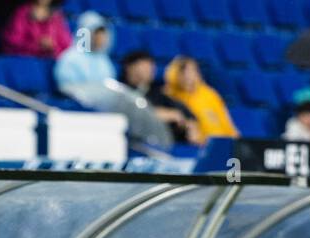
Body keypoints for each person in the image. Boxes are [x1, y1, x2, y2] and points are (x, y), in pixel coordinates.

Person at [54, 14, 173, 147]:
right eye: (96, 34)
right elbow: (68, 88)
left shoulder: (105, 62)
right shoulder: (70, 58)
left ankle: (154, 143)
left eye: (103, 34)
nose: (100, 39)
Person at [120, 50, 198, 145]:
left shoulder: (157, 91)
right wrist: (160, 114)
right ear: (129, 67)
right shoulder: (120, 90)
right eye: (144, 66)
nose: (150, 69)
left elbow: (182, 114)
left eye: (151, 66)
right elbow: (127, 114)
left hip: (166, 144)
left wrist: (189, 124)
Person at [162, 56, 237, 140]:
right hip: (197, 146)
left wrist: (236, 140)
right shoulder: (170, 96)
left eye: (192, 70)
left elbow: (226, 121)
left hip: (222, 142)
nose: (188, 76)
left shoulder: (209, 93)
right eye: (183, 72)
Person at [0, 0, 72, 59]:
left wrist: (53, 46)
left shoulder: (57, 17)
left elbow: (66, 47)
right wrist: (37, 46)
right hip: (27, 62)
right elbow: (11, 43)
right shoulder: (22, 13)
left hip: (51, 64)